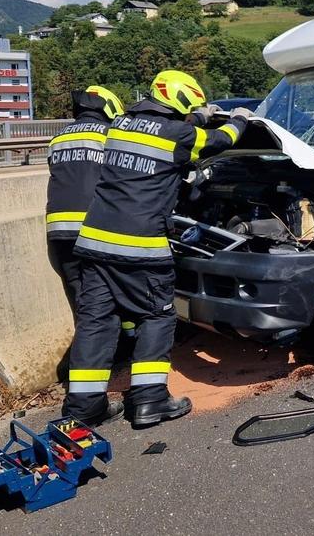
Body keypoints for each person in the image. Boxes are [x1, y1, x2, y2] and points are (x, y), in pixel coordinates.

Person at [63, 70, 251, 428]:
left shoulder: (118, 125)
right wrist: (239, 118)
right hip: (141, 248)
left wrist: (199, 115)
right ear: (179, 103)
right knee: (157, 316)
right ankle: (149, 401)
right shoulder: (179, 135)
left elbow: (161, 132)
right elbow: (219, 141)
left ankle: (84, 409)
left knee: (96, 323)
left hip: (95, 244)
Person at [45, 86, 131, 384]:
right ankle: (102, 368)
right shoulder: (110, 136)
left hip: (58, 231)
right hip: (94, 228)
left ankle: (82, 371)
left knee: (82, 301)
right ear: (109, 109)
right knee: (105, 301)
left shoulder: (58, 138)